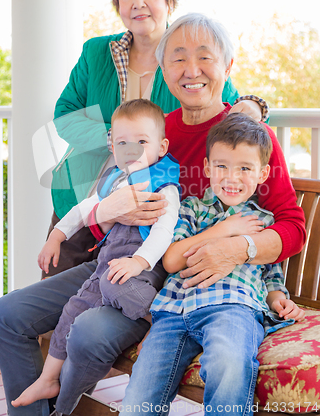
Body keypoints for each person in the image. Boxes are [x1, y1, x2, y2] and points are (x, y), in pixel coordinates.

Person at [0, 14, 305, 416]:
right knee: (6, 314)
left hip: (162, 282)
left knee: (87, 331)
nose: (191, 70)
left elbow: (292, 226)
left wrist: (239, 248)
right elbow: (108, 192)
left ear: (227, 67)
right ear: (163, 70)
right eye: (177, 58)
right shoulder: (154, 132)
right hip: (116, 261)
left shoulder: (244, 139)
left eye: (205, 57)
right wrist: (106, 210)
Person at [48, 0, 266, 276]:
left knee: (109, 297)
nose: (138, 3)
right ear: (117, 3)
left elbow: (230, 106)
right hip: (86, 196)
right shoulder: (95, 54)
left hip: (149, 211)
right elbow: (65, 114)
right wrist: (115, 138)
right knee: (50, 302)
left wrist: (256, 105)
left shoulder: (185, 56)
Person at [120, 113, 305, 415]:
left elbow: (272, 276)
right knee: (142, 389)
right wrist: (223, 229)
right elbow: (171, 260)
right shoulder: (190, 209)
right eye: (221, 166)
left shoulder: (262, 222)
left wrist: (279, 300)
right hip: (173, 313)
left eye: (245, 168)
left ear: (262, 173)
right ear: (207, 167)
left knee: (230, 362)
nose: (232, 178)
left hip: (233, 308)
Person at [11, 99, 180, 410]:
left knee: (116, 285)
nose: (132, 150)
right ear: (112, 147)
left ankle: (159, 318)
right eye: (123, 143)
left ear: (161, 146)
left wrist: (138, 261)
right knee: (72, 310)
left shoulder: (163, 186)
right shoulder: (114, 181)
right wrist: (56, 237)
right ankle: (48, 379)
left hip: (142, 269)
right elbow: (82, 210)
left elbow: (164, 231)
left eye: (142, 142)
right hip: (105, 267)